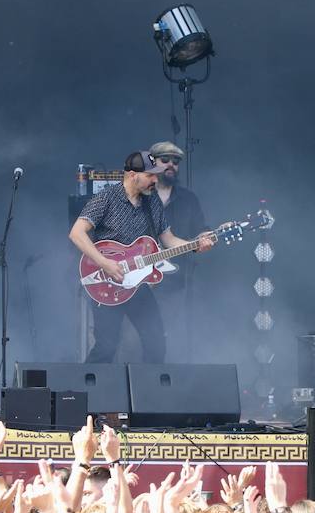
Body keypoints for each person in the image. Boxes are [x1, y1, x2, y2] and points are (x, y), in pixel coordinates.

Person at [69, 150, 216, 364]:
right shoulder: (106, 198)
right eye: (150, 175)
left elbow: (169, 239)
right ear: (132, 175)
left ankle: (147, 396)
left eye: (156, 175)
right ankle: (85, 395)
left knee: (156, 345)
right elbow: (76, 233)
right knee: (106, 348)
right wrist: (105, 263)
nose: (155, 180)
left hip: (137, 285)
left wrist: (196, 246)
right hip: (107, 283)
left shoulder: (152, 201)